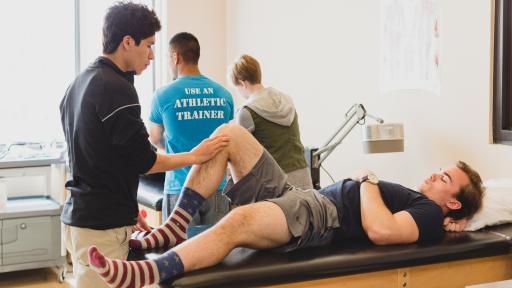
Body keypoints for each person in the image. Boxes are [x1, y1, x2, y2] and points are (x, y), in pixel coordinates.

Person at [87, 123, 485, 288]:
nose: (434, 175)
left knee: (239, 219)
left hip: (321, 217)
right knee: (229, 134)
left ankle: (150, 272)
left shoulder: (429, 214)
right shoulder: (425, 204)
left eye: (445, 179)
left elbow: (382, 231)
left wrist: (368, 180)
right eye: (438, 170)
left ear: (452, 203)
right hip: (303, 196)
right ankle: (176, 224)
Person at [59, 3, 228, 287]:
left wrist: (128, 210)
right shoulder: (116, 88)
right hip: (100, 228)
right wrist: (194, 156)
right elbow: (144, 160)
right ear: (127, 42)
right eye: (148, 45)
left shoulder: (79, 83)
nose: (151, 55)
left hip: (85, 218)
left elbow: (97, 157)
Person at [148, 32, 234, 225]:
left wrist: (172, 144)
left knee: (181, 251)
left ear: (175, 57)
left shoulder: (162, 95)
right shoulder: (224, 94)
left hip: (180, 187)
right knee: (219, 250)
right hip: (217, 187)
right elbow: (225, 136)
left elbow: (154, 138)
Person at [228, 54, 312, 189]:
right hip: (304, 179)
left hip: (277, 187)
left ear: (242, 82)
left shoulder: (246, 111)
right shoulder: (287, 99)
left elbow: (242, 159)